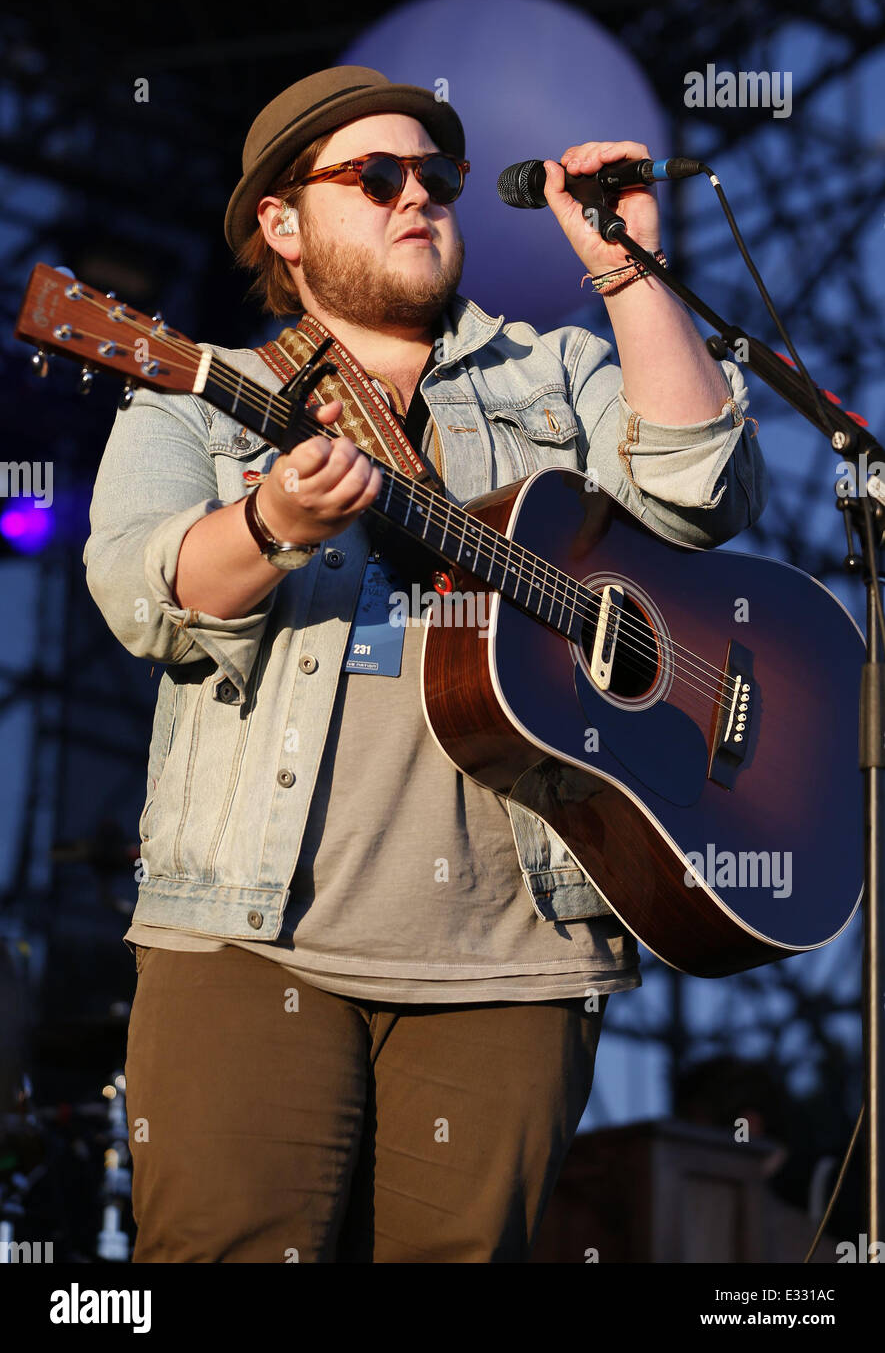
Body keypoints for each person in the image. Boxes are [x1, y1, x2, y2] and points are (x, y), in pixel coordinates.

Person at [83, 65, 768, 1263]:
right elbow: (144, 590)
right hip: (251, 938)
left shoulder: (556, 372)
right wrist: (269, 529)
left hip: (519, 957)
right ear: (282, 225)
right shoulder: (196, 394)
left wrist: (625, 268)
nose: (421, 199)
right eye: (377, 177)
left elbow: (702, 492)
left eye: (437, 178)